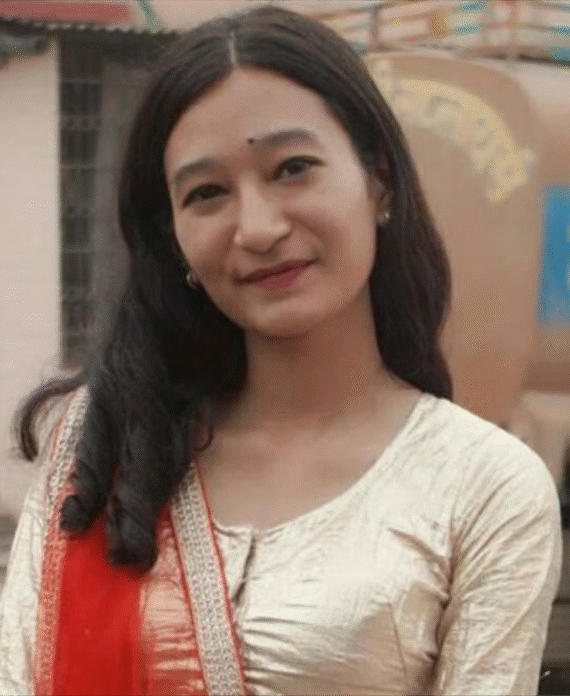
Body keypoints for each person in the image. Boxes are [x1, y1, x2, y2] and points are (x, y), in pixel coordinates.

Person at [0, 5, 562, 695]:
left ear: (379, 180)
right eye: (207, 193)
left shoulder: (482, 487)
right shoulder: (109, 446)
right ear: (173, 236)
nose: (258, 228)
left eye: (293, 168)